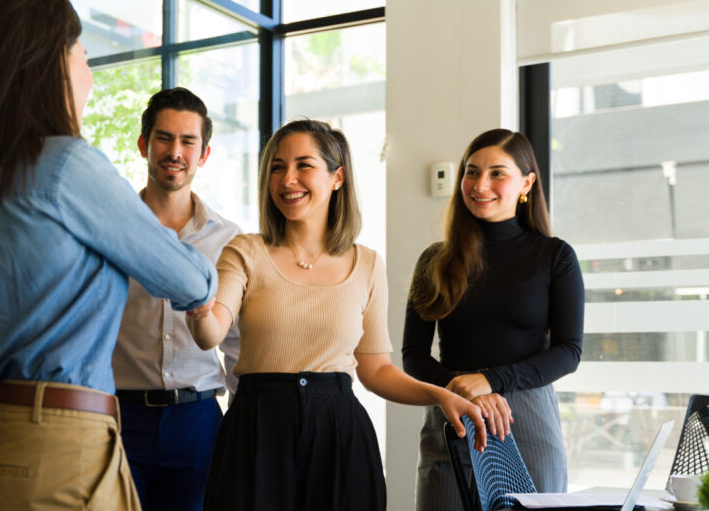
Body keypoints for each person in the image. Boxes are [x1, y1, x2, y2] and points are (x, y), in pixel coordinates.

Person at [0, 0, 216, 511]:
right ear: (53, 61)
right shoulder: (68, 166)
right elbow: (189, 280)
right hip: (65, 448)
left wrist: (4, 423)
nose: (90, 73)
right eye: (82, 52)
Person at [186, 119, 487, 511]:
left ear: (337, 177)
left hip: (340, 436)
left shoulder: (367, 264)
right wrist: (195, 303)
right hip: (256, 432)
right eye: (277, 167)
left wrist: (439, 395)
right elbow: (211, 333)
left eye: (303, 165)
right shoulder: (244, 251)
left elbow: (376, 370)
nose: (287, 179)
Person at [402, 128, 584, 510]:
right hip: (452, 415)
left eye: (497, 173)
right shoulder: (435, 259)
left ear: (526, 182)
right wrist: (463, 388)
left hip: (526, 418)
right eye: (471, 172)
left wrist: (489, 381)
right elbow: (413, 355)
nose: (480, 184)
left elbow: (569, 351)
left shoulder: (554, 256)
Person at [112, 87, 241, 511]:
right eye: (164, 138)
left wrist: (241, 424)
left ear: (203, 154)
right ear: (143, 145)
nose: (175, 151)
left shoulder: (230, 240)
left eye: (188, 141)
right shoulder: (109, 231)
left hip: (198, 421)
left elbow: (239, 345)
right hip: (119, 417)